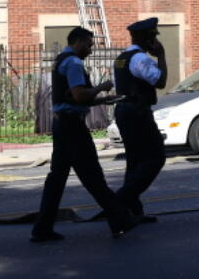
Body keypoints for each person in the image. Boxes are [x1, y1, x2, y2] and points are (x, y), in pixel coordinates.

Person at [30, 26, 136, 242]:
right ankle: (120, 221)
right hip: (73, 128)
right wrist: (102, 88)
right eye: (88, 44)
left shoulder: (61, 59)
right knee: (93, 176)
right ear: (77, 42)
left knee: (57, 179)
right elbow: (79, 95)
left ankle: (42, 228)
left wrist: (102, 100)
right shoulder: (74, 63)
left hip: (62, 126)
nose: (90, 49)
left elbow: (72, 97)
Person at [113, 17, 168, 224]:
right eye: (153, 36)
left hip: (124, 111)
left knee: (135, 162)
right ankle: (120, 201)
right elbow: (160, 81)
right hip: (137, 112)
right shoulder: (140, 59)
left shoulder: (122, 57)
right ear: (145, 38)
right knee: (156, 157)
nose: (154, 40)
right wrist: (161, 55)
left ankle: (133, 212)